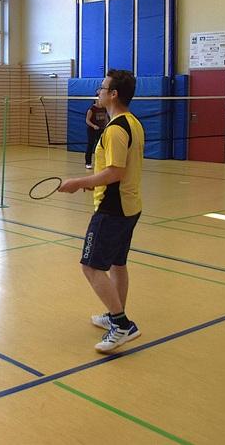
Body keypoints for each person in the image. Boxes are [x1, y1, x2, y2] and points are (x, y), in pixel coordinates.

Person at [58, 69, 144, 353]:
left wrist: (78, 183)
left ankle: (121, 324)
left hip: (112, 208)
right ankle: (114, 315)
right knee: (118, 263)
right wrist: (90, 184)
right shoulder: (133, 122)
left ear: (114, 94)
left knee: (90, 266)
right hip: (129, 206)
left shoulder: (117, 129)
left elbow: (115, 172)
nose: (99, 91)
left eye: (103, 87)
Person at [85, 98, 109, 169]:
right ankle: (88, 163)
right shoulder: (91, 109)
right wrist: (93, 126)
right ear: (95, 100)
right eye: (99, 99)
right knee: (90, 145)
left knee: (101, 146)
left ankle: (102, 162)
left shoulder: (104, 108)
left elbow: (106, 118)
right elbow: (87, 120)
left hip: (101, 129)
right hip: (92, 130)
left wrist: (107, 124)